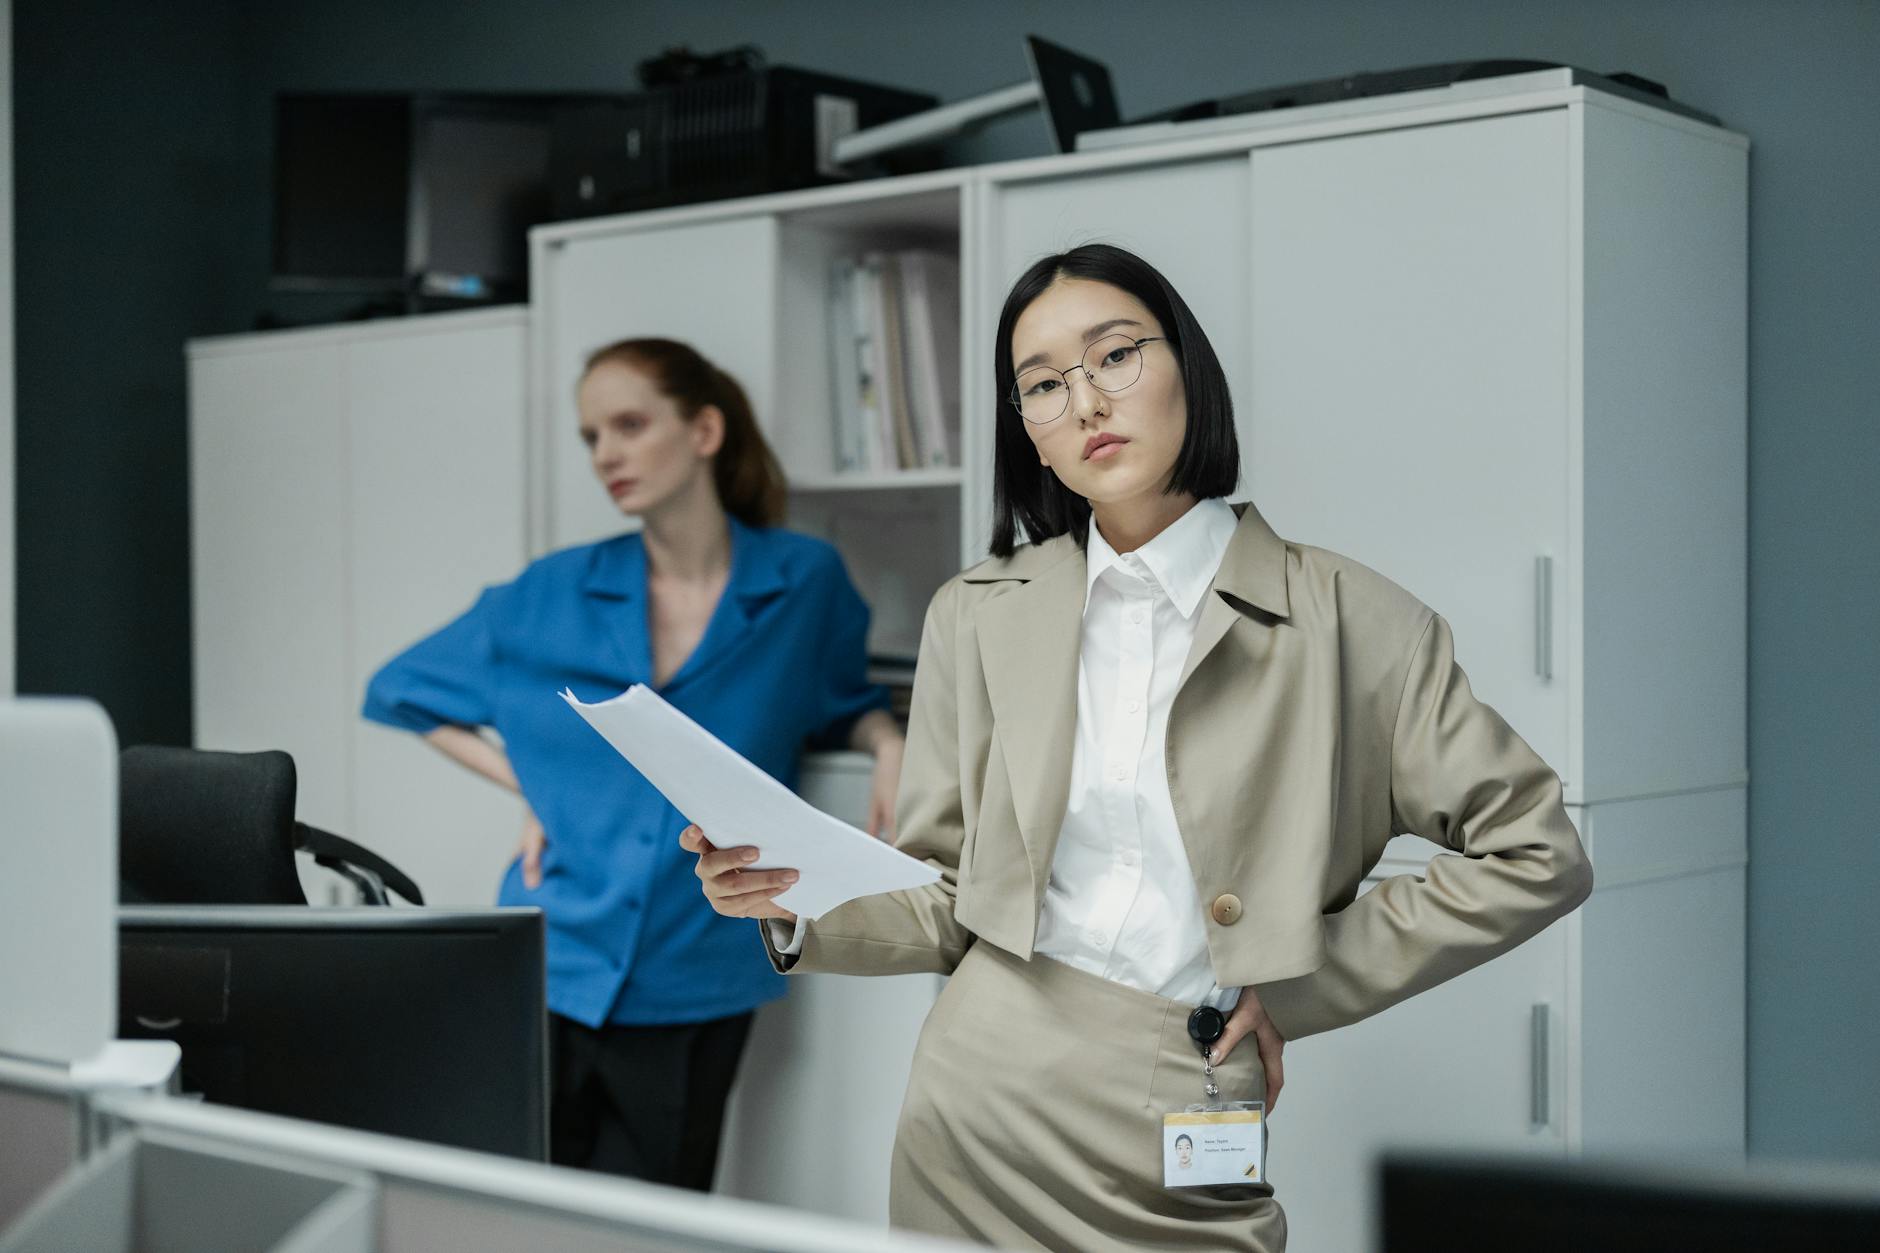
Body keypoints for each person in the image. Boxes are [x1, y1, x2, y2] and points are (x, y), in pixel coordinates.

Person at [684, 244, 1593, 1250]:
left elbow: (1534, 850)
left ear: (1186, 374)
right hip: (971, 1101)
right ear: (1026, 432)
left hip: (1187, 1094)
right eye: (1041, 384)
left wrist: (1293, 979)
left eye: (1113, 355)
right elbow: (950, 893)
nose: (1083, 401)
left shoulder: (1352, 618)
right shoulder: (975, 615)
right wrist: (791, 899)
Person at [364, 337, 904, 1189]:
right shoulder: (550, 589)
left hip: (702, 966)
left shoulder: (805, 581)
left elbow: (842, 700)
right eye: (590, 437)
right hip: (551, 957)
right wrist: (536, 786)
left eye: (628, 424)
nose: (605, 455)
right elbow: (399, 690)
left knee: (659, 1224)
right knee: (517, 1216)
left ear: (705, 430)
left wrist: (889, 744)